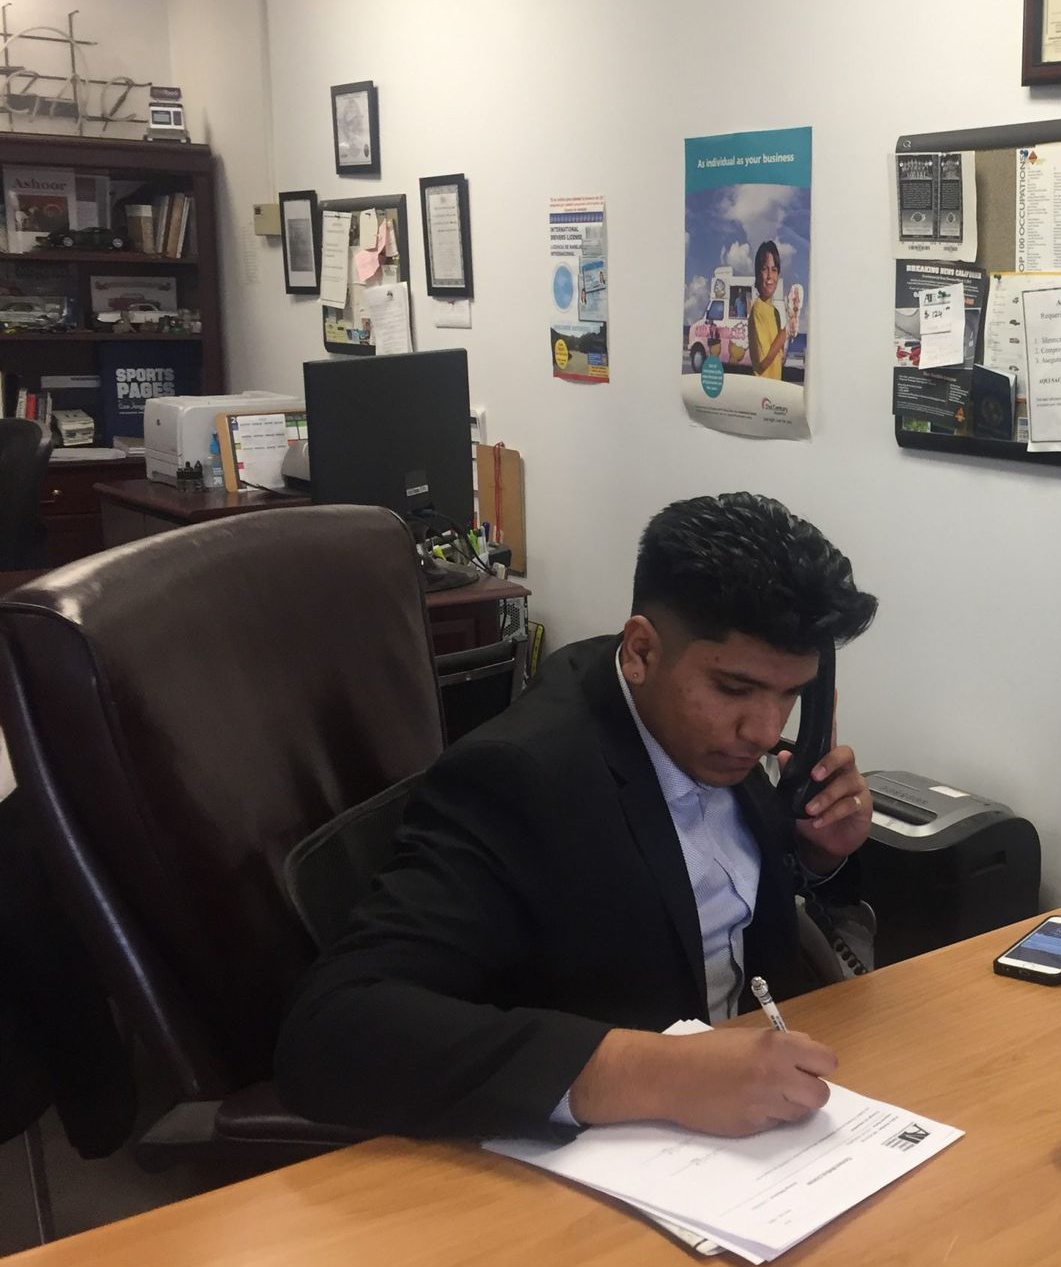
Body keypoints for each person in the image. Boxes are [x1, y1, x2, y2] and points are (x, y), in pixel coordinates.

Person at [277, 493, 879, 1141]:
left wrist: (816, 854)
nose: (763, 731)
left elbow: (724, 900)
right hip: (622, 1148)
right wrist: (659, 1072)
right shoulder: (517, 779)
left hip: (774, 1109)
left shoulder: (709, 735)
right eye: (735, 689)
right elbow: (333, 1028)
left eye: (792, 695)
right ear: (640, 652)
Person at [748, 241, 786, 380]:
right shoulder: (757, 308)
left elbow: (779, 358)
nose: (770, 276)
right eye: (765, 269)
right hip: (763, 389)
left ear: (778, 275)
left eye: (774, 270)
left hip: (775, 388)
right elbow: (763, 362)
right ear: (758, 274)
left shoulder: (776, 313)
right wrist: (786, 332)